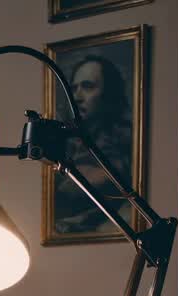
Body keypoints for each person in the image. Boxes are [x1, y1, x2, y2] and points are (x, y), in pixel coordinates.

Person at [53, 54, 134, 234]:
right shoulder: (64, 144)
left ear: (108, 93)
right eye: (74, 89)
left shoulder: (123, 150)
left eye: (88, 87)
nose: (78, 97)